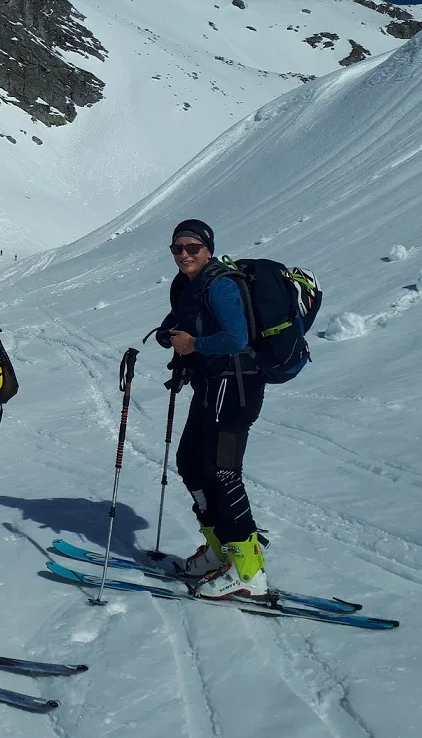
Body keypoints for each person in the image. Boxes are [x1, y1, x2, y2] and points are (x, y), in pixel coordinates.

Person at [155, 219, 268, 598]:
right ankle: (220, 550)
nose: (184, 254)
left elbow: (236, 337)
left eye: (193, 248)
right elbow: (182, 320)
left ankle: (249, 570)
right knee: (190, 463)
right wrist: (169, 334)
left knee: (223, 473)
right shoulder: (187, 284)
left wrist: (193, 345)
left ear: (208, 250)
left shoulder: (220, 284)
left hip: (236, 387)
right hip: (210, 386)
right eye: (178, 248)